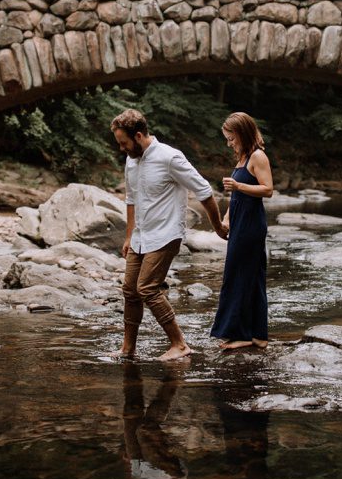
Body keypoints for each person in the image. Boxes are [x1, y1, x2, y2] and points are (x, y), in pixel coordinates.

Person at [110, 108, 224, 361]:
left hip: (165, 234)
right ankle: (128, 348)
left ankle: (180, 344)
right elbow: (131, 199)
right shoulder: (132, 160)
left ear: (138, 136)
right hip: (141, 236)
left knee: (147, 288)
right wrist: (129, 236)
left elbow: (204, 190)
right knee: (130, 290)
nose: (121, 149)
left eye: (124, 143)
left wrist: (216, 226)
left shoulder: (170, 157)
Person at [210, 112, 273, 350]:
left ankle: (242, 334)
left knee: (239, 276)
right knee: (251, 276)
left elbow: (268, 190)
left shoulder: (258, 156)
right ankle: (258, 335)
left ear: (243, 133)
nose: (229, 143)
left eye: (231, 138)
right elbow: (236, 197)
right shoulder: (243, 158)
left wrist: (238, 185)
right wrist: (226, 220)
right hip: (239, 222)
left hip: (251, 225)